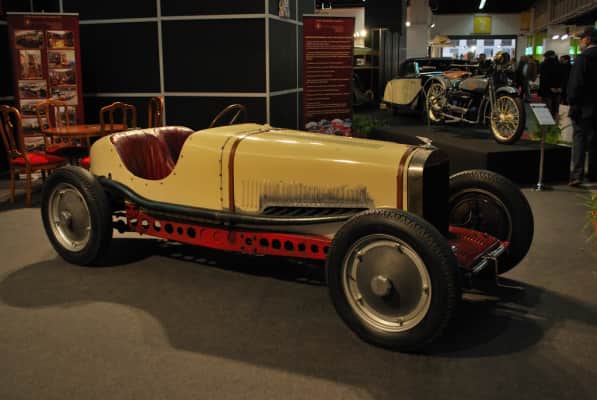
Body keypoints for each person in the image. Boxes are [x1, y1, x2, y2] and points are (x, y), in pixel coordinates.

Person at [568, 27, 597, 186]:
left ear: (587, 39)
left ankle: (577, 175)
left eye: (581, 39)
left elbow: (576, 83)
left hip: (582, 107)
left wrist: (572, 101)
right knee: (594, 141)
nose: (579, 42)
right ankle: (593, 173)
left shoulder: (583, 58)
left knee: (579, 139)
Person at [539, 50, 564, 118]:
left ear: (546, 56)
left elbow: (544, 77)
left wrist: (550, 87)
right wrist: (560, 87)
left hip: (547, 88)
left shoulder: (543, 64)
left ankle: (547, 120)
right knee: (556, 105)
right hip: (558, 88)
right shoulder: (560, 64)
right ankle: (556, 117)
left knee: (547, 106)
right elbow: (562, 77)